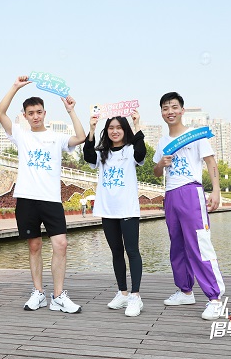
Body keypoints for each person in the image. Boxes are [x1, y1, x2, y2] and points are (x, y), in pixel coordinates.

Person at [0, 75, 86, 313]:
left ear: (44, 113)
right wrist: (15, 87)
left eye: (38, 112)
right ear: (25, 116)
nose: (35, 116)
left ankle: (58, 295)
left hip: (51, 200)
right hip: (27, 198)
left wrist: (71, 111)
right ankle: (38, 293)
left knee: (61, 244)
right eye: (31, 113)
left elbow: (81, 137)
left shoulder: (56, 137)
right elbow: (0, 112)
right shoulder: (21, 135)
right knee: (34, 246)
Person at [153, 92, 225, 321]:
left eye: (174, 107)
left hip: (191, 192)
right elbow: (156, 173)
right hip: (171, 195)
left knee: (199, 244)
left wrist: (216, 190)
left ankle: (215, 298)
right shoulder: (163, 142)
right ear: (162, 112)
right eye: (165, 108)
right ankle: (185, 291)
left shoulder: (196, 136)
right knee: (177, 245)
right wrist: (161, 163)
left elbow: (211, 162)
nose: (170, 111)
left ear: (182, 110)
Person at [83, 110, 147, 317]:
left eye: (119, 127)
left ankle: (135, 296)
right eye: (111, 128)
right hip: (107, 209)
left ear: (125, 130)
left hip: (127, 209)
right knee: (116, 252)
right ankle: (123, 292)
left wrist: (137, 125)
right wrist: (92, 129)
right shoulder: (102, 153)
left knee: (132, 251)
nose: (115, 131)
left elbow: (141, 153)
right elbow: (88, 155)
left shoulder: (130, 150)